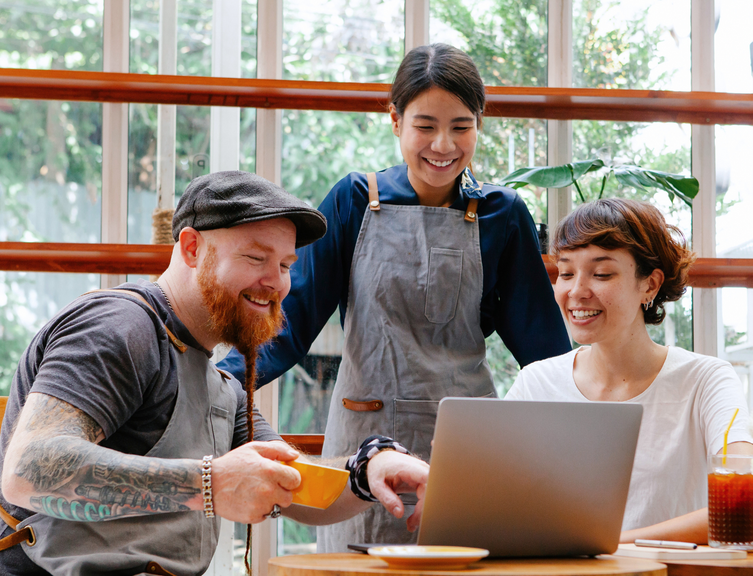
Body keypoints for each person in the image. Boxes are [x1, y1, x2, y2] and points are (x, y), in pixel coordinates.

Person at [0, 171, 430, 576]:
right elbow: (29, 470)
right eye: (256, 258)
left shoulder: (220, 386)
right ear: (192, 248)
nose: (277, 283)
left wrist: (367, 468)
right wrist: (212, 483)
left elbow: (295, 482)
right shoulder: (119, 327)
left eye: (287, 265)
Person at [218, 43, 571, 551]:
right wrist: (218, 380)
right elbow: (289, 325)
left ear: (479, 124)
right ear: (395, 121)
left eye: (461, 126)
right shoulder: (354, 200)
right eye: (425, 125)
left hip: (467, 448)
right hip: (364, 450)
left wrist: (594, 430)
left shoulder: (503, 214)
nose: (443, 145)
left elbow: (545, 354)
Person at [505, 198, 753, 545]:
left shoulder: (705, 381)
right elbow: (495, 503)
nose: (576, 291)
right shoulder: (536, 383)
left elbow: (750, 507)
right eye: (565, 273)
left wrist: (608, 545)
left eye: (602, 273)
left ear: (650, 285)